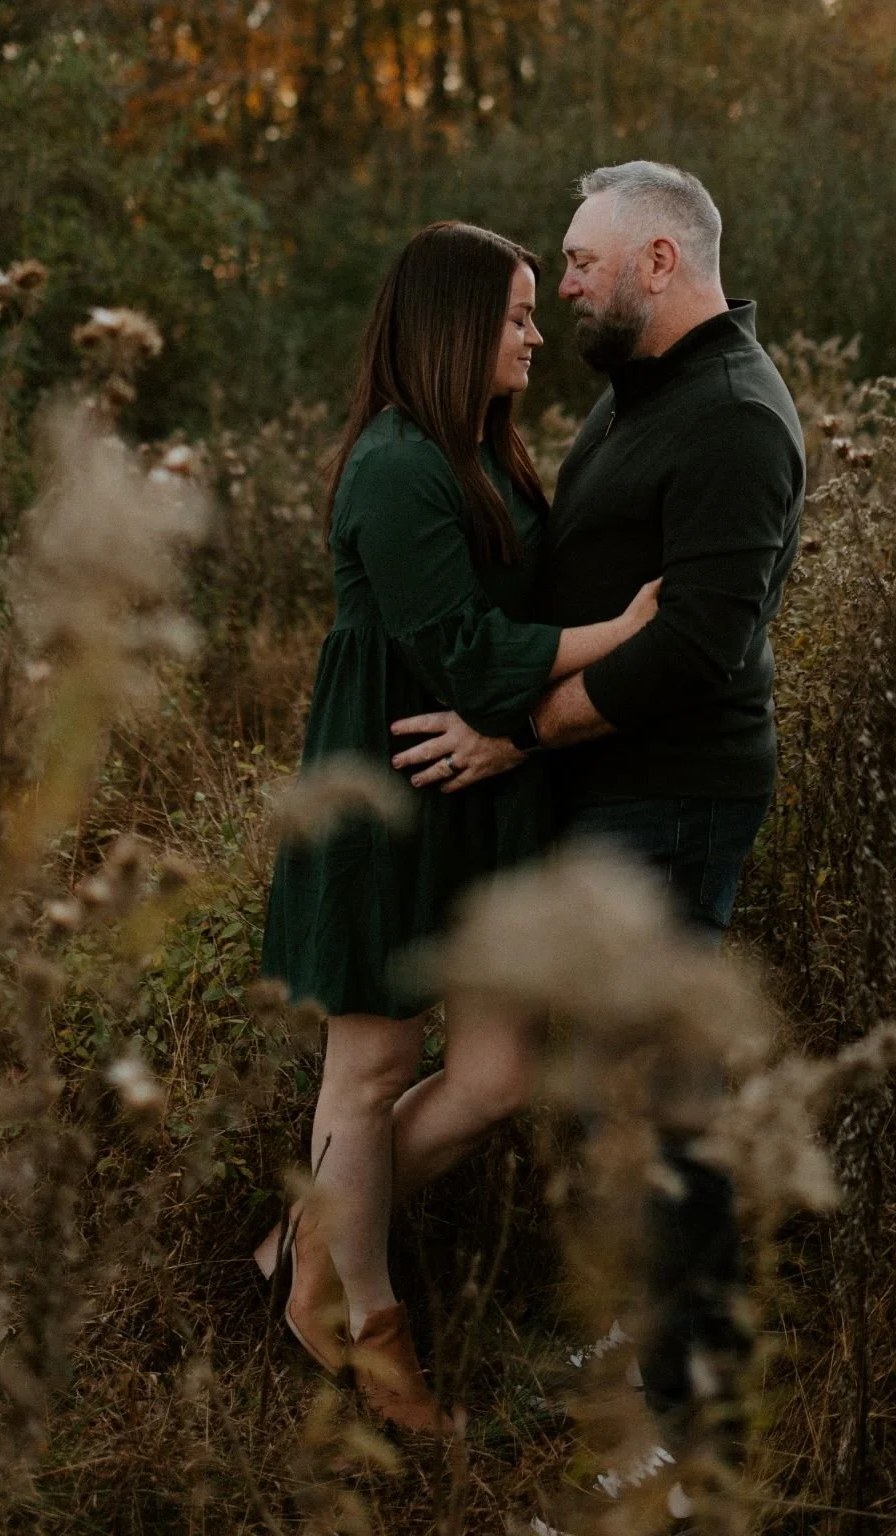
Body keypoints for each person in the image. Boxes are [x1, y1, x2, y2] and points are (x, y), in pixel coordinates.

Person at [391, 161, 806, 1435]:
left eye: (580, 260)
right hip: (607, 795)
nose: (561, 280)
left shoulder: (733, 415)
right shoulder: (639, 395)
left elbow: (696, 651)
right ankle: (637, 1364)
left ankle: (684, 1430)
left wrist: (520, 732)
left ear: (660, 264)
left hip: (669, 802)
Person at [257, 219, 661, 1435]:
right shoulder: (393, 466)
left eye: (539, 311)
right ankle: (361, 1323)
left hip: (481, 798)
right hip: (389, 794)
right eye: (518, 316)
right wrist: (628, 632)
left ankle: (302, 1244)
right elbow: (475, 659)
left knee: (493, 1077)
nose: (538, 335)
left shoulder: (481, 452)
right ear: (453, 327)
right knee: (370, 1067)